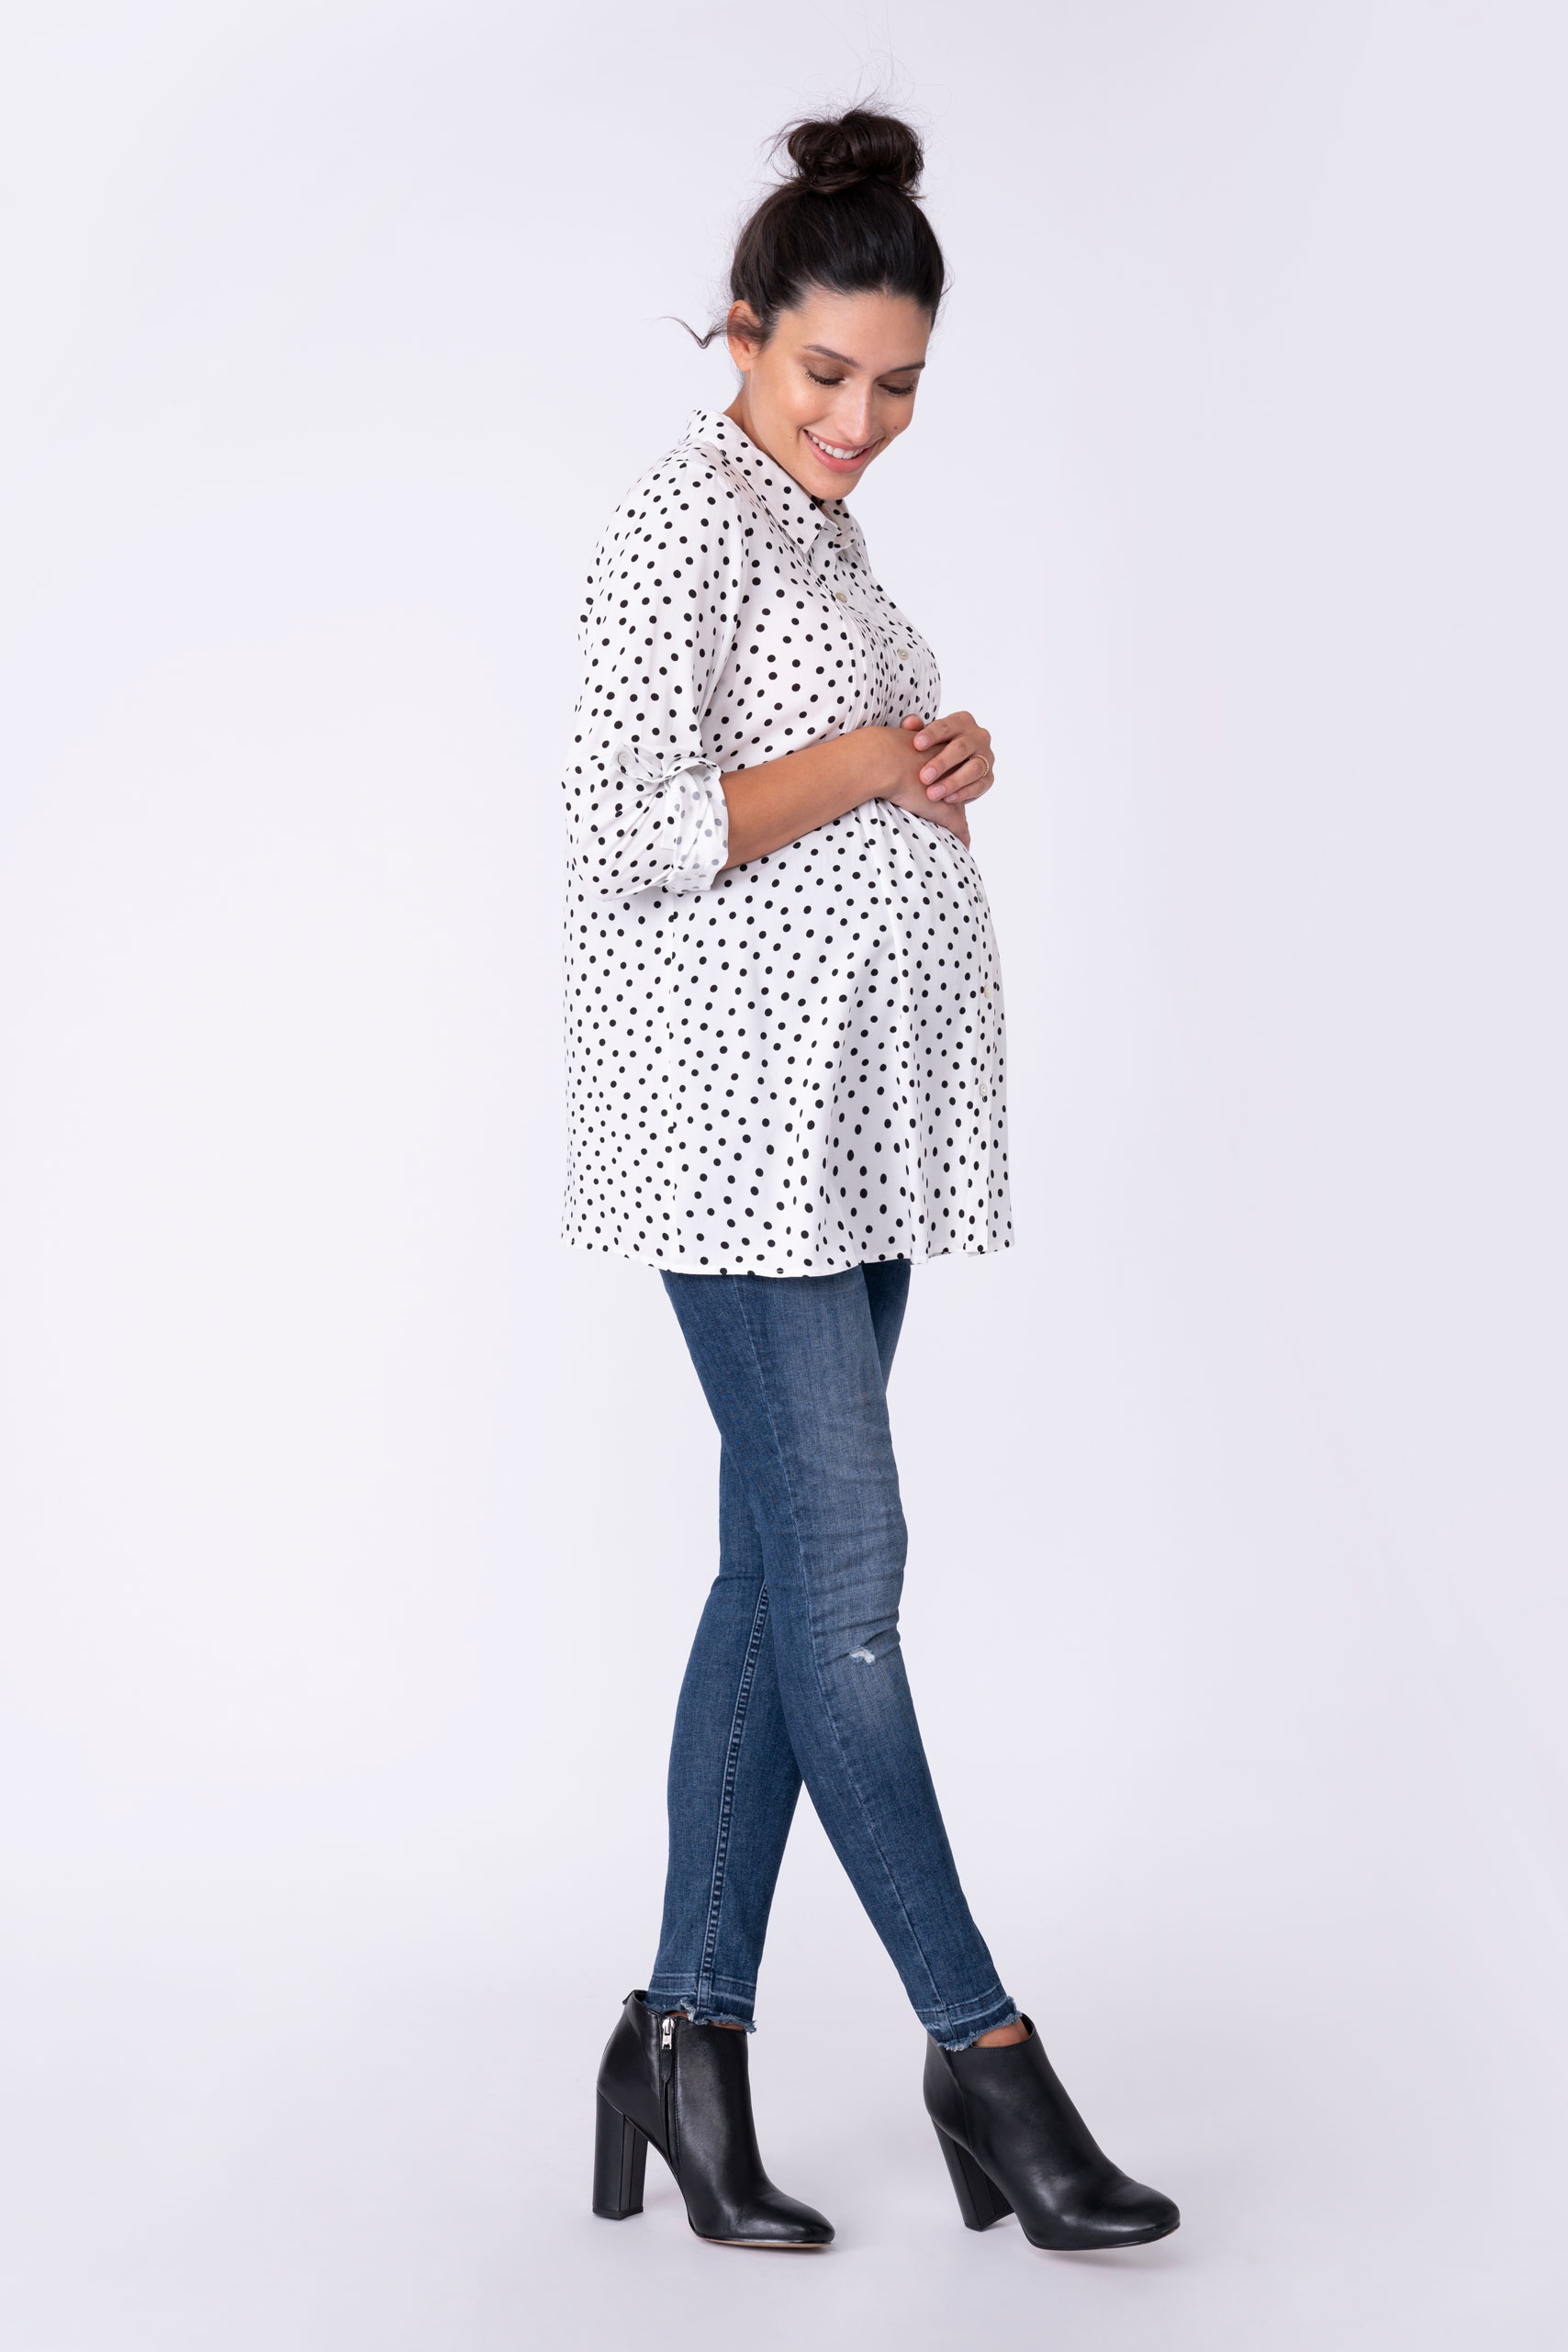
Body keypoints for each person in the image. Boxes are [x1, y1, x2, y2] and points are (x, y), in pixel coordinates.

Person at [564, 106, 1178, 2257]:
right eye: (826, 372)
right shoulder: (679, 523)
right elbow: (626, 827)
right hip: (732, 1136)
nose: (859, 419)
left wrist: (942, 759)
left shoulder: (821, 542)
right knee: (844, 1580)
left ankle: (680, 2042)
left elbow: (843, 787)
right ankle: (978, 2053)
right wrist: (857, 764)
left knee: (773, 1581)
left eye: (899, 387)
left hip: (845, 1128)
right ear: (742, 331)